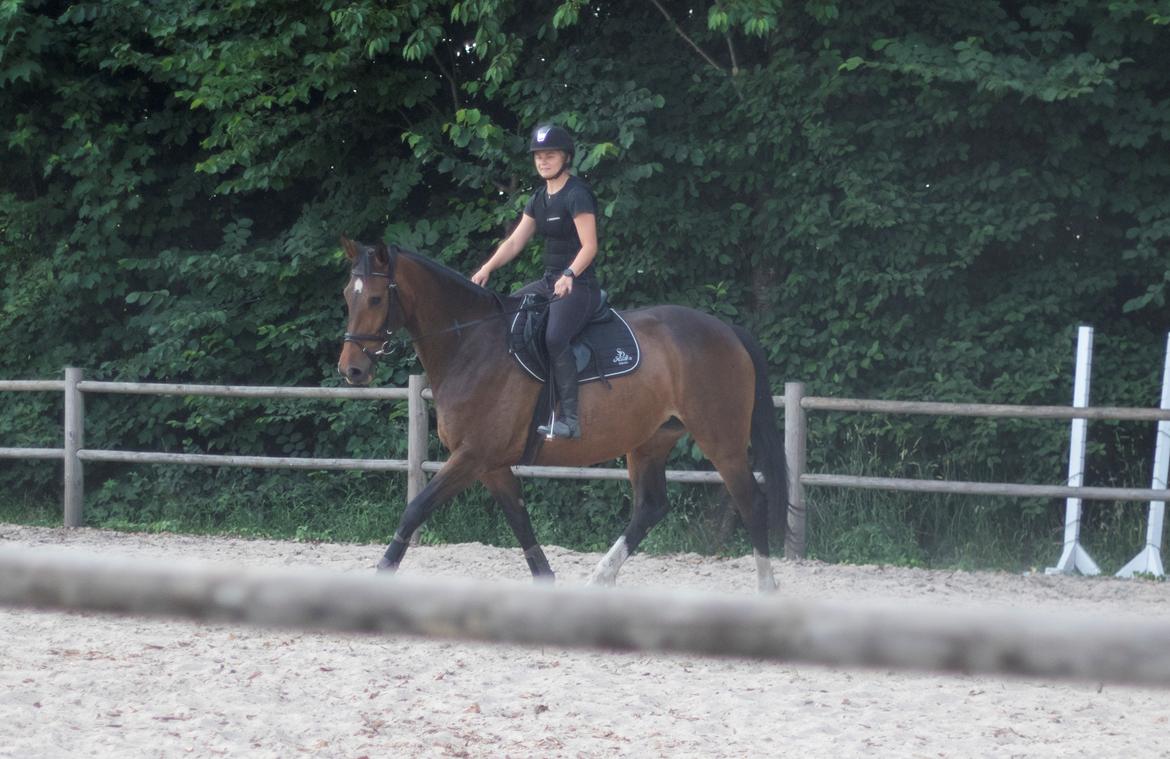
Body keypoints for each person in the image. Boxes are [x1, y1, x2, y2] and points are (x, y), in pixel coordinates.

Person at [471, 124, 601, 439]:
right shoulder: (539, 198)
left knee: (555, 338)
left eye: (550, 155)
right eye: (539, 157)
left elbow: (590, 246)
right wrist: (486, 268)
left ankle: (570, 419)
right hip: (548, 282)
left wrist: (570, 274)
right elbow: (515, 242)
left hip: (578, 286)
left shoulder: (577, 194)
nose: (543, 161)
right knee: (507, 313)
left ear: (565, 157)